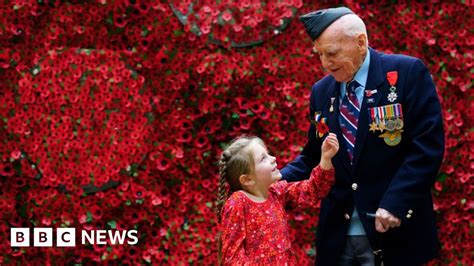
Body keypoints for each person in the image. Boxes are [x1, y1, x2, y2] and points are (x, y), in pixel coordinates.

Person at [280, 6, 445, 266]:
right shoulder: (321, 92)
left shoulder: (407, 74)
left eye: (332, 53)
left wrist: (396, 202)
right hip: (338, 237)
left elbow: (426, 148)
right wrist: (274, 180)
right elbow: (313, 154)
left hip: (393, 230)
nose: (325, 63)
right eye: (319, 55)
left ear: (360, 42)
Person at [215, 133, 339, 265]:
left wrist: (325, 158)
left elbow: (312, 190)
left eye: (268, 154)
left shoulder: (277, 192)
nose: (273, 158)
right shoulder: (238, 202)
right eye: (263, 158)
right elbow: (233, 258)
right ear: (247, 179)